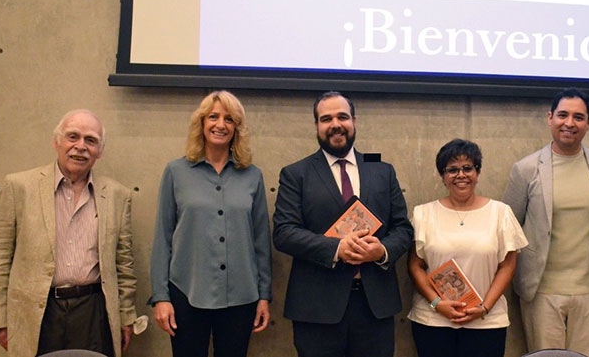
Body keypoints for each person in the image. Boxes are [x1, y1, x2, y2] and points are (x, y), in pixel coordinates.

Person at [272, 91, 413, 357]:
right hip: (316, 310)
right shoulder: (295, 173)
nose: (335, 124)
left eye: (342, 117)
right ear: (316, 125)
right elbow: (284, 233)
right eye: (326, 118)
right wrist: (337, 249)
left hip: (375, 307)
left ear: (354, 121)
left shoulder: (382, 168)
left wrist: (381, 251)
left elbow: (403, 229)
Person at [0, 109, 138, 357]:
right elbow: (1, 259)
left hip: (93, 311)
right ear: (56, 141)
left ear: (99, 152)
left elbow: (125, 265)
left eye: (90, 140)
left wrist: (126, 316)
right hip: (38, 312)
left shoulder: (117, 196)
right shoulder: (19, 187)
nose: (80, 147)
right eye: (73, 137)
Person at [150, 91, 272, 357]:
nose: (221, 124)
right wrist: (161, 297)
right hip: (187, 291)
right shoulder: (176, 172)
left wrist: (264, 296)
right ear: (201, 123)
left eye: (229, 119)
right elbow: (163, 237)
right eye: (213, 117)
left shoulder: (252, 176)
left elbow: (261, 241)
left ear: (237, 128)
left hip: (241, 296)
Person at [502, 88, 589, 357]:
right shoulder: (527, 168)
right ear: (550, 118)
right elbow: (510, 227)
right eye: (563, 115)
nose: (569, 123)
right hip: (541, 290)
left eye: (578, 117)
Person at [408, 139, 527, 357]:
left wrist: (484, 308)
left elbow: (508, 265)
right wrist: (436, 303)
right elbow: (415, 265)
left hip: (486, 321)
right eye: (452, 170)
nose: (460, 175)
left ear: (477, 172)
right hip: (433, 320)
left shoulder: (500, 213)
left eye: (467, 168)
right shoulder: (422, 214)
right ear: (443, 176)